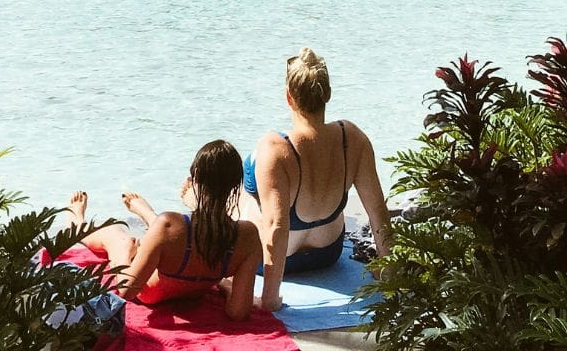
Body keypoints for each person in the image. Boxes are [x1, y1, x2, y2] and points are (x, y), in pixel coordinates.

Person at [239, 48, 391, 311]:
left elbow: (276, 226)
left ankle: (195, 196)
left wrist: (270, 299)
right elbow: (378, 211)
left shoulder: (274, 147)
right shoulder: (352, 138)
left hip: (270, 260)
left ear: (289, 97)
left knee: (242, 192)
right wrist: (389, 275)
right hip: (327, 253)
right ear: (328, 94)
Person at [63, 141, 262, 321]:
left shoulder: (168, 225)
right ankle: (147, 214)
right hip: (194, 291)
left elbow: (125, 291)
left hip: (151, 293)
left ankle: (77, 224)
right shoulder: (248, 236)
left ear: (196, 177)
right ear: (237, 184)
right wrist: (227, 286)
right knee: (166, 230)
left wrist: (125, 252)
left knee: (120, 238)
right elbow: (238, 312)